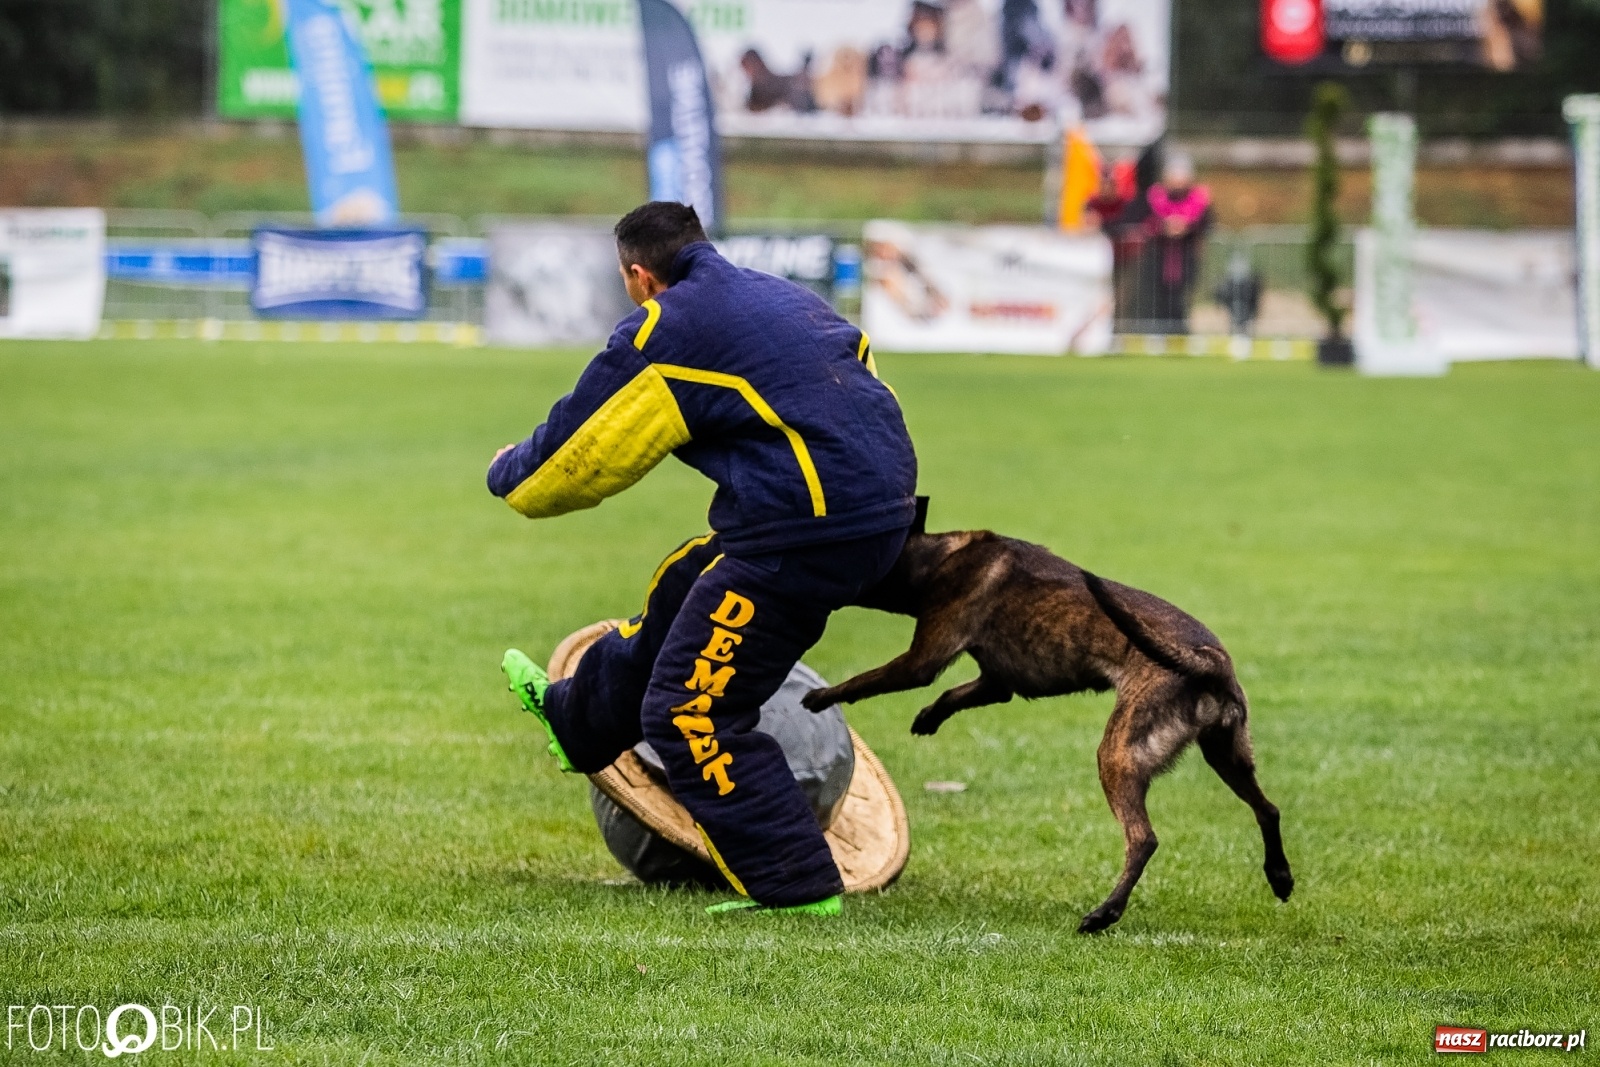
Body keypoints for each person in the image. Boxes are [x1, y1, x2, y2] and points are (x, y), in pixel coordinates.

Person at [487, 202, 919, 918]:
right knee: (691, 577)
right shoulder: (785, 296)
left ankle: (797, 885)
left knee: (689, 710)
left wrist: (510, 473)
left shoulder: (666, 327)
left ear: (639, 275)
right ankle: (578, 720)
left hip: (806, 531)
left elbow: (585, 448)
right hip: (876, 512)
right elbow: (867, 378)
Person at [1137, 152, 1213, 334]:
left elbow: (1207, 224)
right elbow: (1143, 222)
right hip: (1158, 257)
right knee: (1158, 297)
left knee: (1181, 298)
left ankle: (1180, 332)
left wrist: (1187, 228)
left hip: (1186, 257)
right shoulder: (1155, 197)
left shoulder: (1199, 199)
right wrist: (1163, 227)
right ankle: (1159, 332)